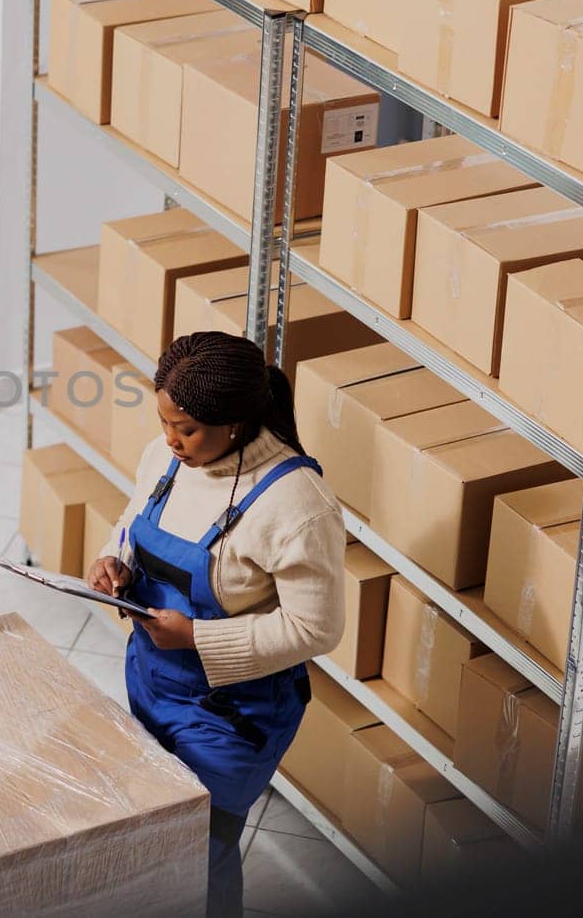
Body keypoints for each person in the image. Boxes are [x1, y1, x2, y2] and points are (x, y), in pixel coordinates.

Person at [87, 331, 344, 918]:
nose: (172, 441)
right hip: (152, 680)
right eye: (165, 423)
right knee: (153, 826)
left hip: (235, 714)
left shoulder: (298, 504)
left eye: (188, 429)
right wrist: (114, 560)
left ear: (235, 422)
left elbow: (316, 630)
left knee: (202, 845)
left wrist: (198, 637)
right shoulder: (166, 459)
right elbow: (131, 522)